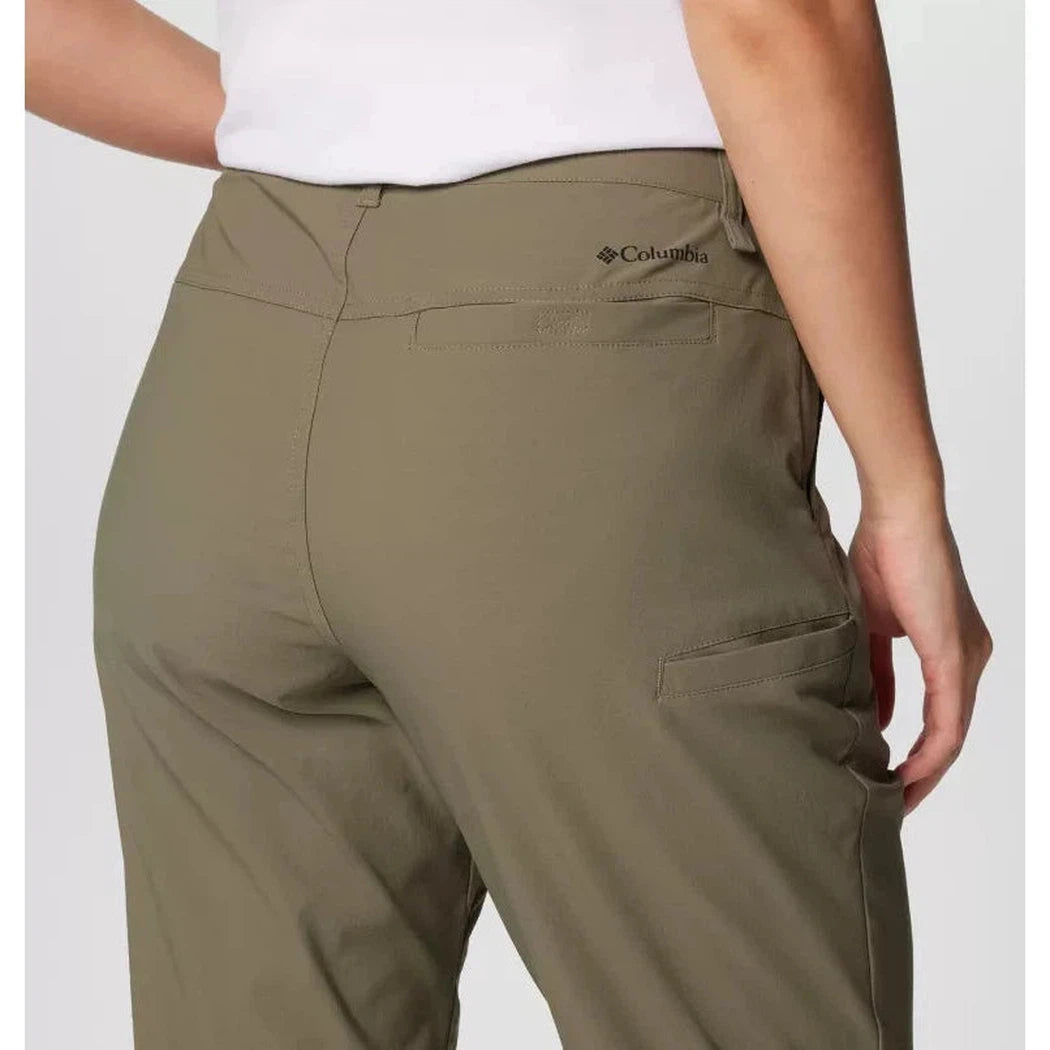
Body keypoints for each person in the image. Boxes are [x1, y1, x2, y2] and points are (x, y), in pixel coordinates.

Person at [26, 1, 992, 1048]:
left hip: (229, 380)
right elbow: (770, 17)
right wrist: (904, 494)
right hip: (590, 365)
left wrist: (308, 108)